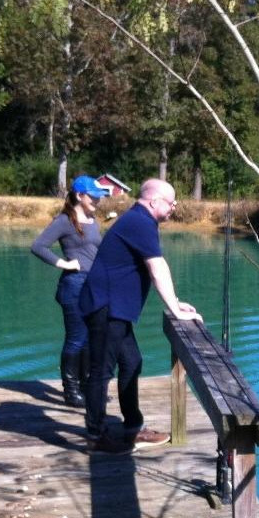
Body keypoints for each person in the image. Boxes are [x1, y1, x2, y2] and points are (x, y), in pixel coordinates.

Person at [79, 178, 202, 453]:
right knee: (101, 371)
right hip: (106, 306)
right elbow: (157, 267)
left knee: (132, 362)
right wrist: (175, 309)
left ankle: (133, 427)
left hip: (116, 309)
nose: (174, 207)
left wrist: (176, 302)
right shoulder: (140, 222)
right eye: (171, 202)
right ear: (154, 201)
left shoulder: (140, 221)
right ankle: (95, 435)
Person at [30, 176, 109, 407]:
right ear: (78, 195)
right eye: (93, 196)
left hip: (94, 285)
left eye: (99, 196)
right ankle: (71, 391)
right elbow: (38, 246)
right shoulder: (65, 220)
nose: (97, 200)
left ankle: (87, 387)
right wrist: (64, 264)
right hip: (74, 285)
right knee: (76, 339)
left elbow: (97, 250)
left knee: (89, 339)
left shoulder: (93, 219)